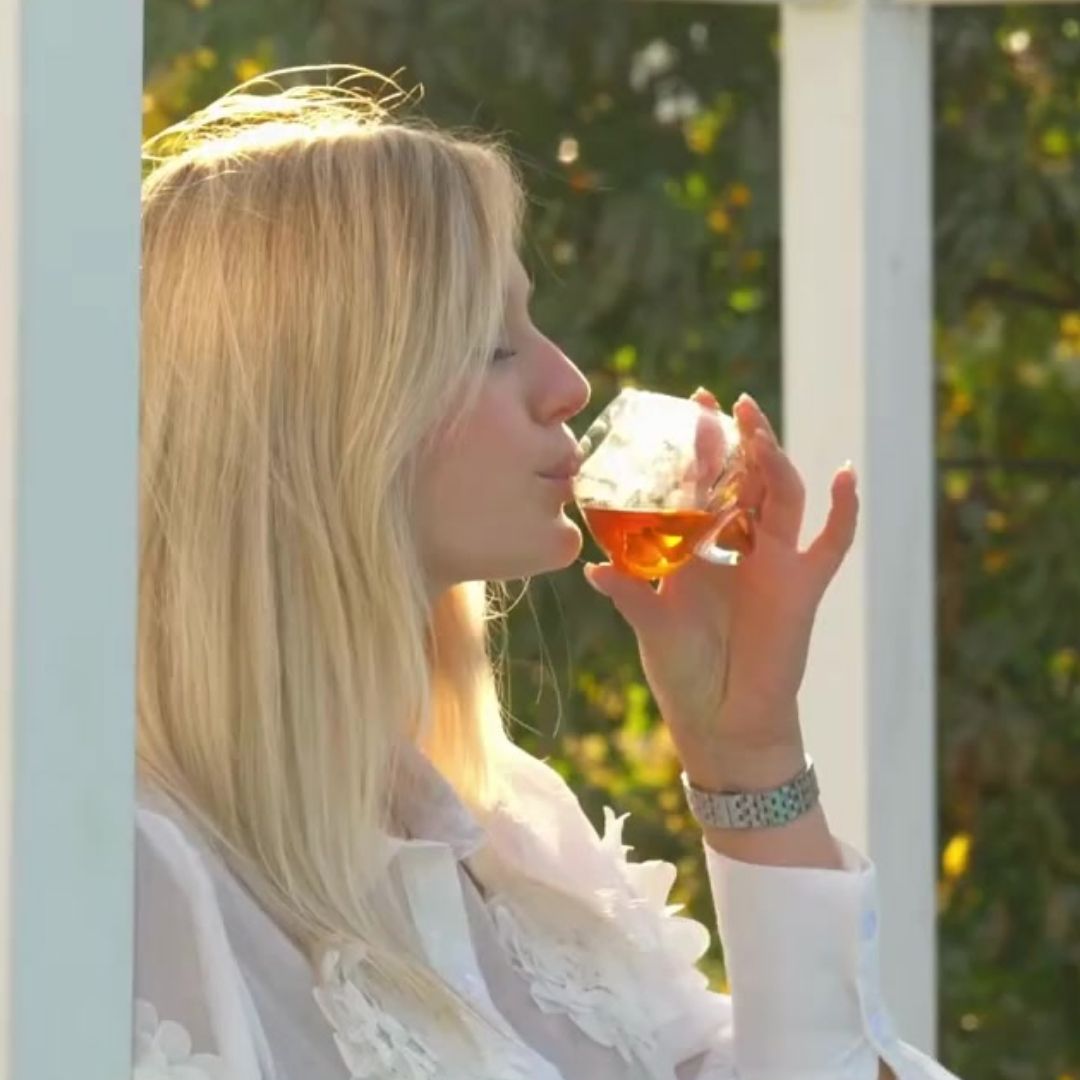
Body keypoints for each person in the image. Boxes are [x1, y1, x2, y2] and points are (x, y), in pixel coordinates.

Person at [133, 67, 960, 1080]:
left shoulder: (516, 844)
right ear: (315, 416)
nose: (567, 383)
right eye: (491, 345)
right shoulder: (144, 884)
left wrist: (747, 750)